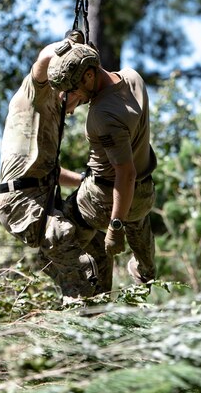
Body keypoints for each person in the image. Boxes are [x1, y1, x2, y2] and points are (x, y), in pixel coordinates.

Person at [0, 39, 103, 299]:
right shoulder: (35, 95)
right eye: (79, 97)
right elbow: (43, 60)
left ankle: (98, 308)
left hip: (42, 198)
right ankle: (80, 315)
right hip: (20, 201)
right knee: (63, 239)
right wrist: (68, 46)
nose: (76, 107)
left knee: (94, 240)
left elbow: (53, 172)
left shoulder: (53, 114)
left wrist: (84, 181)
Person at [47, 42, 157, 286]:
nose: (74, 97)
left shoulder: (103, 115)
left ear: (89, 75)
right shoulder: (132, 77)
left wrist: (115, 226)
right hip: (142, 195)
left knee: (52, 243)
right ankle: (144, 267)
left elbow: (124, 175)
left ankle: (89, 286)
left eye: (74, 90)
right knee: (135, 216)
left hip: (103, 201)